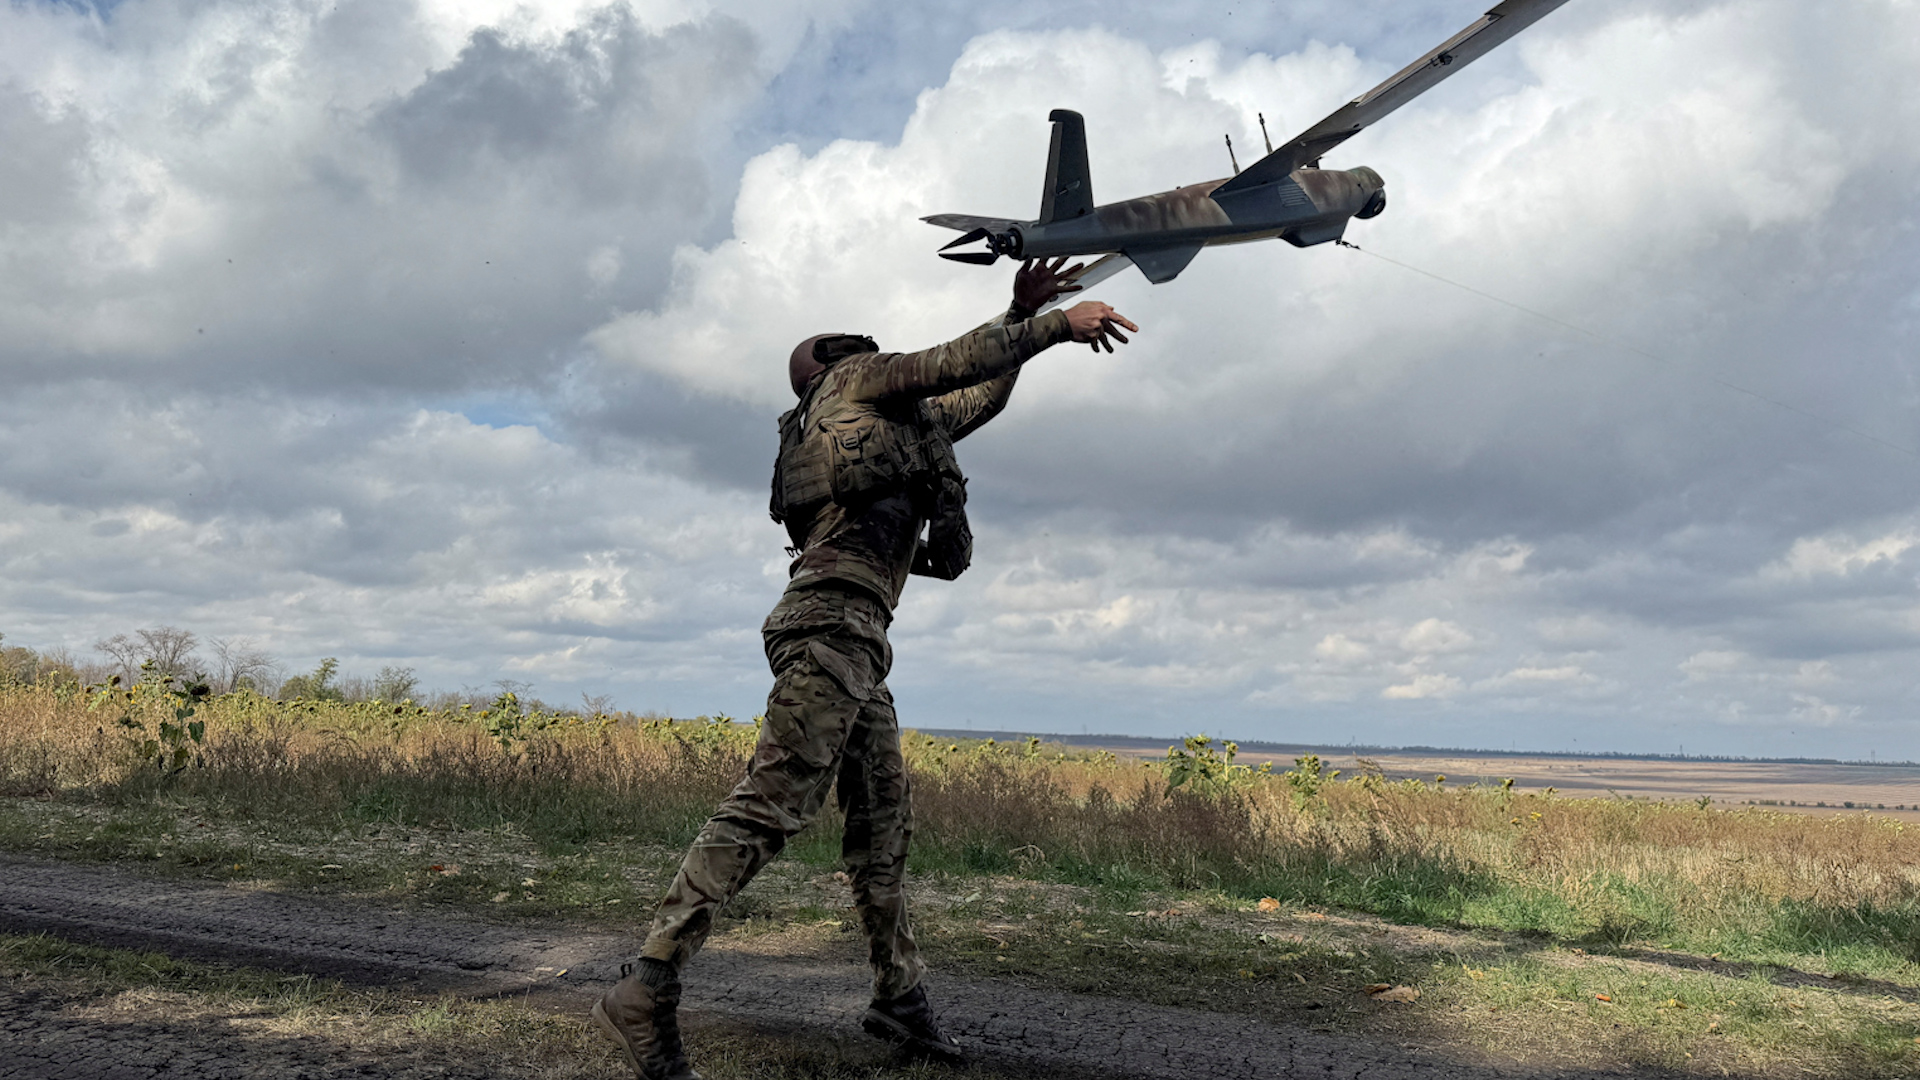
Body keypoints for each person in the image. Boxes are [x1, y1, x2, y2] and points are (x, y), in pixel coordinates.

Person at [592, 258, 1138, 1079]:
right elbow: (951, 363)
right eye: (845, 347)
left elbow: (975, 390)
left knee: (883, 824)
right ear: (825, 372)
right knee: (770, 806)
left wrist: (1021, 320)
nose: (864, 348)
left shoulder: (892, 428)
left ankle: (898, 998)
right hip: (829, 630)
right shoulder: (853, 385)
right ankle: (647, 983)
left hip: (855, 639)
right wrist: (1057, 323)